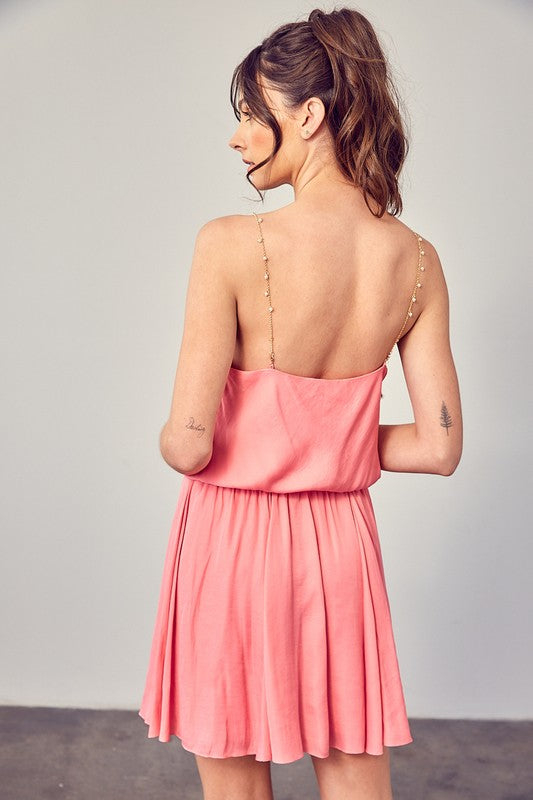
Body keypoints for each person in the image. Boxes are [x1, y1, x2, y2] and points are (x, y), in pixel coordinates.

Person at [138, 6, 463, 800]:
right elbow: (437, 447)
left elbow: (187, 444)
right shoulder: (416, 260)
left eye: (251, 115)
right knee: (356, 779)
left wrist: (244, 430)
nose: (237, 136)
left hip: (232, 542)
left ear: (308, 115)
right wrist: (332, 435)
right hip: (340, 549)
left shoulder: (227, 244)